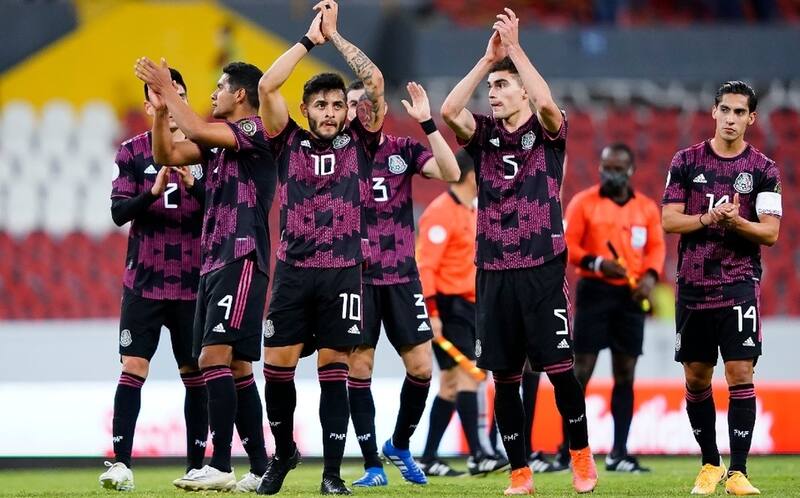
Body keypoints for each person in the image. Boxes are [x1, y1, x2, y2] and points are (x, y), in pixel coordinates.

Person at [440, 8, 597, 495]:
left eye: (503, 86)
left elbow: (547, 103)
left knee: (560, 371)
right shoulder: (484, 135)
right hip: (492, 269)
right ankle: (519, 472)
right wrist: (487, 62)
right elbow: (448, 111)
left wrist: (516, 51)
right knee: (504, 378)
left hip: (541, 267)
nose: (494, 93)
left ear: (523, 92)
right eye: (493, 87)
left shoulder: (548, 133)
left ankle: (580, 455)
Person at [256, 1, 385, 494]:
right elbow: (267, 87)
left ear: (346, 111)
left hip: (342, 272)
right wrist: (311, 40)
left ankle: (331, 474)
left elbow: (374, 83)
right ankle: (284, 452)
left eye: (336, 105)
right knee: (277, 368)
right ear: (305, 110)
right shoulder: (286, 141)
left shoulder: (361, 142)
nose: (330, 113)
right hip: (292, 271)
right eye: (321, 105)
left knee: (334, 369)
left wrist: (338, 38)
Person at [135, 58, 274, 492]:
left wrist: (167, 88)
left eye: (219, 86)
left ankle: (220, 464)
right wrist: (160, 112)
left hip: (241, 254)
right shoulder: (219, 146)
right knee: (236, 367)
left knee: (212, 357)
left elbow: (193, 129)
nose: (213, 94)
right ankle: (260, 466)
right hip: (213, 260)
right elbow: (166, 154)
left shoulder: (253, 130)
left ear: (240, 95)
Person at [662, 80, 781, 496]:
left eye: (739, 112)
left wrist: (737, 222)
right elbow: (669, 220)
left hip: (738, 284)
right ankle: (710, 463)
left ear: (752, 118)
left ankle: (738, 472)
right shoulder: (686, 160)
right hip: (693, 285)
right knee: (697, 378)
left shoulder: (764, 169)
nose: (731, 119)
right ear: (714, 112)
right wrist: (710, 218)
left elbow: (770, 233)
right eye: (725, 110)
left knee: (740, 371)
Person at [343, 80, 461, 487]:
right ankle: (372, 465)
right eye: (350, 104)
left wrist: (427, 122)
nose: (358, 110)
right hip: (357, 277)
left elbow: (451, 172)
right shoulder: (337, 154)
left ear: (377, 108)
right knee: (360, 366)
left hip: (402, 276)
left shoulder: (402, 150)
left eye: (364, 102)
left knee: (422, 368)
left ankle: (399, 444)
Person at [99, 69, 208, 492]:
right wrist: (151, 193)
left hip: (193, 283)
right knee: (133, 367)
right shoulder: (131, 152)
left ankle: (197, 466)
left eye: (177, 94)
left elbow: (223, 209)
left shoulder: (206, 150)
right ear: (149, 106)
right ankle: (121, 464)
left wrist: (193, 186)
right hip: (144, 281)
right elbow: (118, 213)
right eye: (161, 96)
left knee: (194, 372)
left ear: (186, 99)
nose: (170, 103)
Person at [560, 143, 665, 473]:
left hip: (630, 297)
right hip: (594, 291)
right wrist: (597, 262)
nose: (611, 174)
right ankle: (568, 449)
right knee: (580, 372)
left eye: (618, 169)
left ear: (630, 170)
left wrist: (650, 278)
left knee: (625, 373)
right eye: (606, 168)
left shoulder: (646, 208)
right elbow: (569, 246)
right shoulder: (583, 203)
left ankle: (619, 452)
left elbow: (656, 248)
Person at [415, 150, 509, 478]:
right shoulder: (440, 213)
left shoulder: (472, 211)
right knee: (469, 375)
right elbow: (426, 265)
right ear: (472, 175)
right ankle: (479, 454)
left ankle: (428, 458)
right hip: (448, 307)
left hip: (471, 307)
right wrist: (432, 312)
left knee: (451, 384)